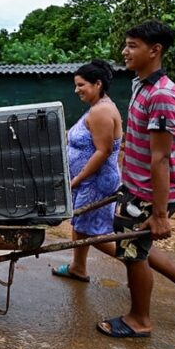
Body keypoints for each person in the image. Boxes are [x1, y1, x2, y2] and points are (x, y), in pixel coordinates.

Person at [96, 21, 175, 338]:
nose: (125, 51)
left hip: (150, 196)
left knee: (133, 255)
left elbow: (161, 157)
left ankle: (140, 320)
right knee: (135, 246)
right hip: (137, 188)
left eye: (133, 45)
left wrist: (160, 214)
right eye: (126, 44)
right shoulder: (143, 85)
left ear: (155, 50)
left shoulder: (162, 95)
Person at [51, 60, 123, 283]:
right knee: (81, 224)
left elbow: (103, 151)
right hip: (88, 181)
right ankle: (78, 267)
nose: (76, 90)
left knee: (93, 234)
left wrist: (77, 179)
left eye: (81, 85)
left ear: (98, 84)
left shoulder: (101, 112)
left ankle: (135, 262)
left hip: (95, 182)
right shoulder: (97, 108)